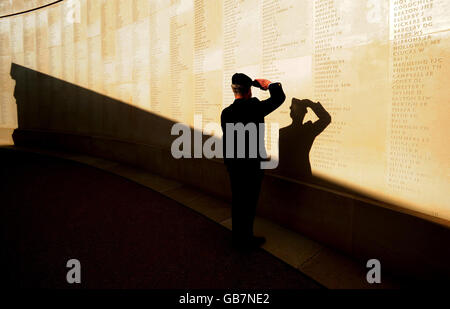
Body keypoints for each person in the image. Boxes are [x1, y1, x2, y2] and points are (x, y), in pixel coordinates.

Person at [221, 73, 285, 250]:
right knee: (248, 203)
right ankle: (246, 239)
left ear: (233, 90)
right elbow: (279, 97)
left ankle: (238, 237)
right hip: (252, 165)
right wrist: (268, 84)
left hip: (234, 165)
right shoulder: (255, 107)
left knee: (238, 201)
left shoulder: (226, 113)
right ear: (249, 90)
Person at [277, 98, 331, 180]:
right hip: (302, 174)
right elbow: (326, 118)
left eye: (292, 108)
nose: (291, 109)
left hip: (285, 176)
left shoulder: (282, 132)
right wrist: (311, 104)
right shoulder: (308, 131)